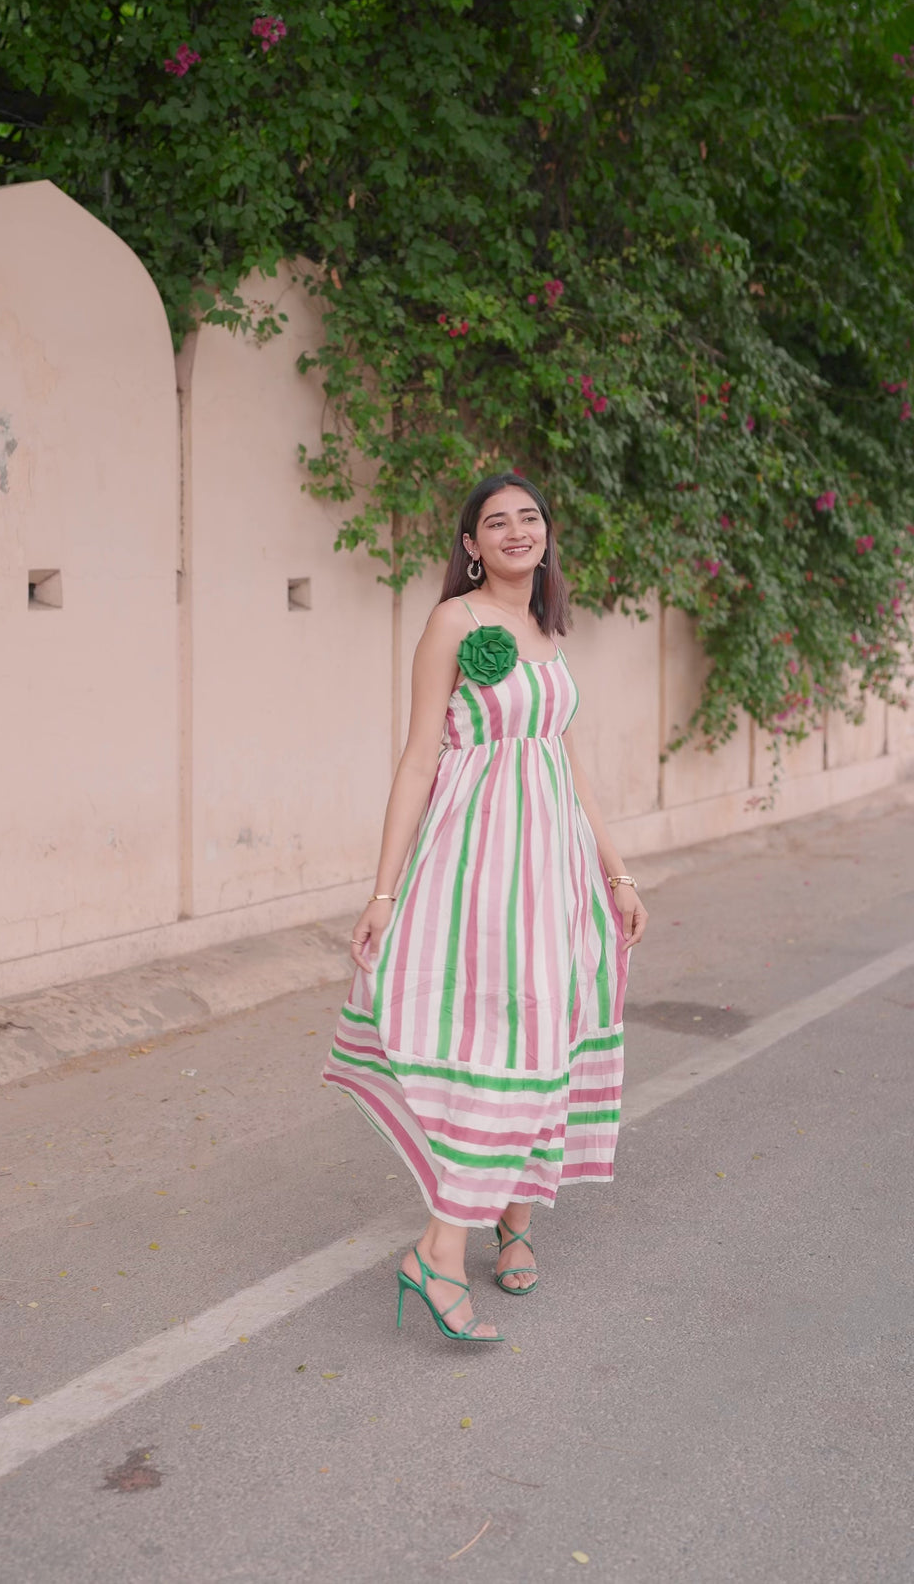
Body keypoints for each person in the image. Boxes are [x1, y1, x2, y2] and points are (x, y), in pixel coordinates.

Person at [324, 472, 647, 1342]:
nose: (515, 531)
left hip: (556, 869)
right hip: (479, 864)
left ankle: (514, 1220)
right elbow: (417, 758)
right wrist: (383, 891)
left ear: (547, 533)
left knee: (549, 1033)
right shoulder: (453, 624)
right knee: (504, 1039)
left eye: (529, 517)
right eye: (494, 522)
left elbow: (570, 764)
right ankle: (439, 1250)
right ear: (470, 545)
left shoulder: (547, 626)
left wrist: (616, 874)